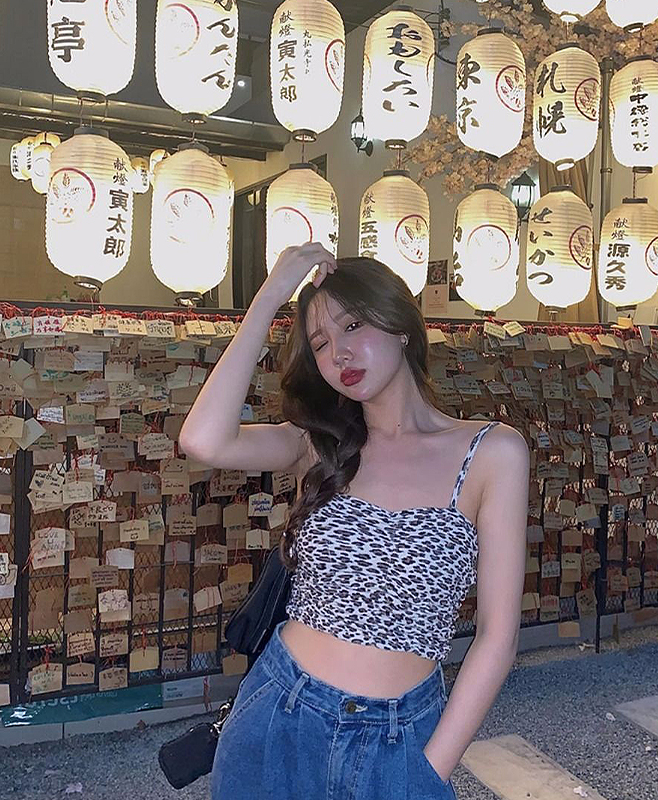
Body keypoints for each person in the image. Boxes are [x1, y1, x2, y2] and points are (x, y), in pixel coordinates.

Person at [179, 242, 529, 800]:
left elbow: (497, 637)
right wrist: (271, 295)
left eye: (353, 325)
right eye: (320, 343)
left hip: (400, 739)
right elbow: (203, 440)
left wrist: (428, 772)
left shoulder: (492, 452)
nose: (339, 352)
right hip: (279, 714)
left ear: (401, 326)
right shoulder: (320, 445)